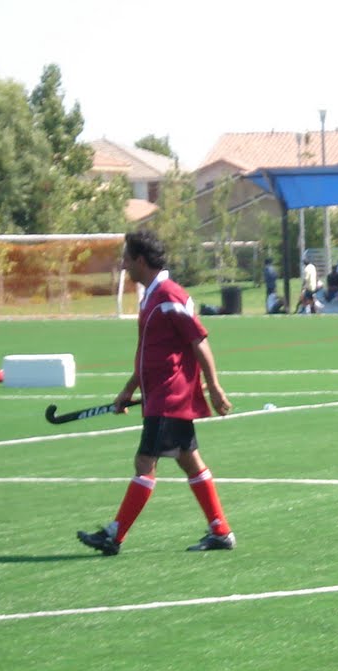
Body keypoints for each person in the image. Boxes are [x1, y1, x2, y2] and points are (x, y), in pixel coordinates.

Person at [76, 229, 235, 556]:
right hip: (159, 395)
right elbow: (151, 353)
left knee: (145, 461)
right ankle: (220, 530)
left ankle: (114, 535)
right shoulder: (152, 296)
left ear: (141, 260)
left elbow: (199, 341)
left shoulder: (169, 296)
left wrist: (214, 385)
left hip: (168, 396)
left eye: (127, 258)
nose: (123, 265)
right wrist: (128, 390)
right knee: (189, 461)